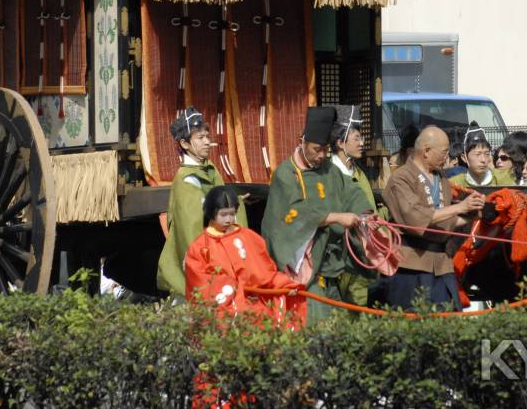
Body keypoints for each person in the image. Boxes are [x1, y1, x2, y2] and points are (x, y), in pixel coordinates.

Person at [261, 106, 370, 325]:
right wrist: (335, 217)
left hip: (334, 268)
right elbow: (292, 215)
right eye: (316, 149)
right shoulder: (286, 174)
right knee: (315, 332)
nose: (321, 155)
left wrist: (366, 215)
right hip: (306, 272)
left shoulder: (330, 170)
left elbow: (352, 193)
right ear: (302, 141)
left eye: (325, 150)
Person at [381, 126, 484, 310]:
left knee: (448, 323)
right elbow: (415, 218)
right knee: (411, 324)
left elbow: (447, 221)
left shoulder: (441, 179)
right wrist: (459, 207)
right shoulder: (400, 178)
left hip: (442, 264)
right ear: (426, 151)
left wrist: (471, 214)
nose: (447, 157)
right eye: (444, 152)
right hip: (411, 264)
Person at [157, 107, 248, 298]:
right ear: (185, 143)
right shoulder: (185, 179)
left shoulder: (211, 169)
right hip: (204, 264)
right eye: (200, 138)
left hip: (220, 256)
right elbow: (190, 229)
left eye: (207, 136)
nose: (208, 141)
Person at [185, 185, 306, 324]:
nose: (228, 219)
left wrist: (286, 285)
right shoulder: (200, 247)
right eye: (223, 215)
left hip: (257, 310)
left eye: (232, 214)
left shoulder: (249, 237)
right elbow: (199, 284)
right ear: (212, 213)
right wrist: (233, 287)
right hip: (225, 314)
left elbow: (267, 274)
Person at [329, 104, 382, 306]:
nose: (362, 143)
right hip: (341, 255)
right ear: (341, 143)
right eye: (357, 138)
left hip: (365, 252)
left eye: (362, 138)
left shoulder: (359, 172)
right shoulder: (329, 173)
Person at [450, 123, 512, 194]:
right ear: (464, 158)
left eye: (487, 154)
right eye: (477, 154)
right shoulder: (455, 183)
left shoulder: (504, 178)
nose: (483, 160)